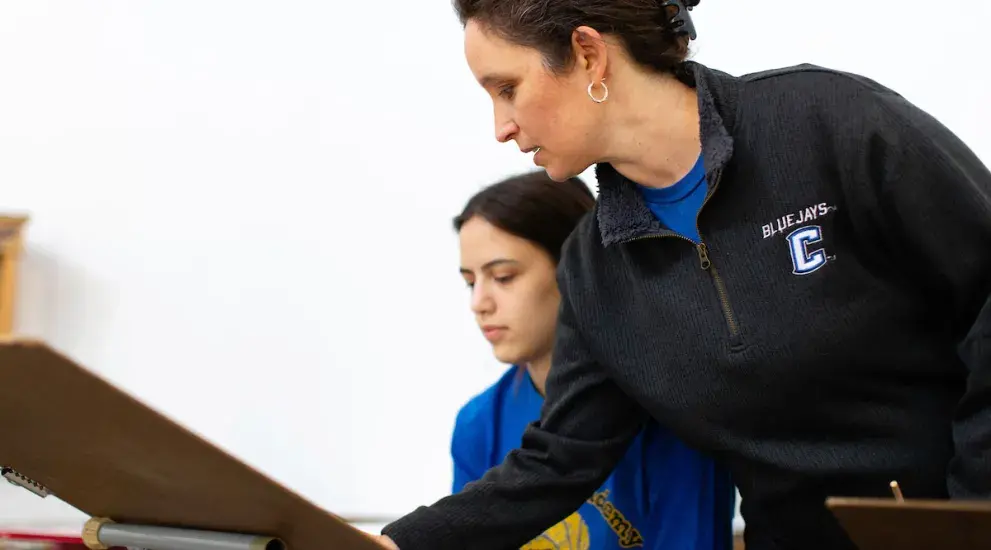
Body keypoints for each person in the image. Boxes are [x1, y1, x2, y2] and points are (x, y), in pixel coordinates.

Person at [374, 0, 991, 549]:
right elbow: (556, 461)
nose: (500, 126)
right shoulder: (594, 270)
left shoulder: (830, 124)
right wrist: (391, 545)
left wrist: (970, 515)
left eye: (506, 87)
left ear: (588, 54)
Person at [449, 171, 737, 550]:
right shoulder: (479, 422)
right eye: (471, 282)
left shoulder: (671, 409)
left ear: (575, 270)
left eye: (503, 277)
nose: (479, 304)